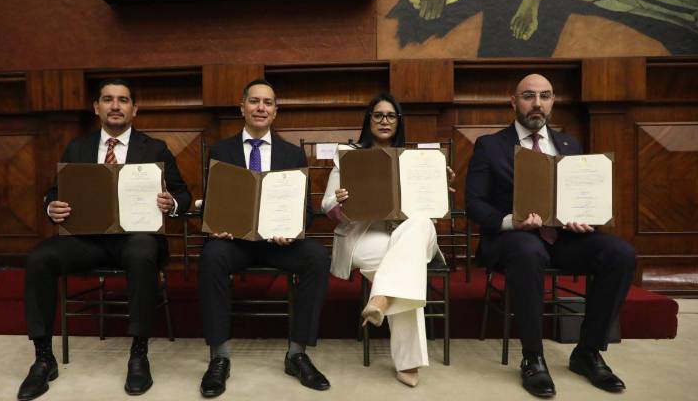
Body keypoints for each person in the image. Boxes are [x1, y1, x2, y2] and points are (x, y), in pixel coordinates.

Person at [18, 78, 191, 400]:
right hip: (86, 240)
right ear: (96, 107)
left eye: (123, 100)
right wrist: (51, 206)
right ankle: (43, 359)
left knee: (141, 252)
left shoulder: (154, 148)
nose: (115, 105)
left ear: (134, 109)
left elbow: (183, 193)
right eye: (108, 99)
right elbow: (54, 193)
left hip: (136, 238)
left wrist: (173, 202)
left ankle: (138, 354)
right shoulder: (77, 148)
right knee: (40, 258)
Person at [465, 73, 636, 398]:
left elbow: (582, 197)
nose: (537, 103)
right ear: (513, 102)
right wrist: (512, 221)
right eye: (528, 96)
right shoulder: (490, 145)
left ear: (553, 101)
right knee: (528, 251)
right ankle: (533, 358)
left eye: (545, 96)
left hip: (564, 240)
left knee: (621, 254)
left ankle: (587, 352)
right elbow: (474, 204)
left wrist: (585, 219)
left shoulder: (570, 145)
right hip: (512, 240)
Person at [197, 79, 331, 398]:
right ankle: (219, 357)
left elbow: (306, 212)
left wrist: (293, 230)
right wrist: (216, 224)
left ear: (275, 111)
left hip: (277, 244)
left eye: (267, 103)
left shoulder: (292, 153)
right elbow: (212, 202)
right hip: (234, 242)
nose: (261, 107)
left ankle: (297, 354)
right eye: (254, 101)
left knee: (316, 256)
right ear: (242, 107)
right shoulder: (221, 150)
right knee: (212, 254)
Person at [321, 93, 454, 387]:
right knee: (407, 268)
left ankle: (380, 299)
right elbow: (326, 204)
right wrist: (339, 201)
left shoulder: (414, 159)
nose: (384, 121)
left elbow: (431, 209)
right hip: (365, 236)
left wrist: (437, 184)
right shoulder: (349, 156)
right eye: (378, 115)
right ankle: (407, 360)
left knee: (419, 225)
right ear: (369, 120)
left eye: (391, 115)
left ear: (399, 121)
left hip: (412, 234)